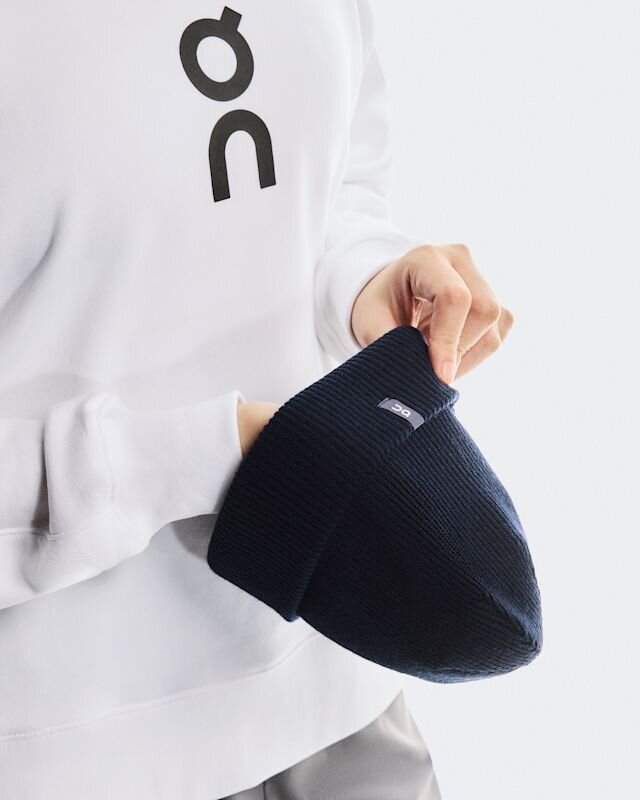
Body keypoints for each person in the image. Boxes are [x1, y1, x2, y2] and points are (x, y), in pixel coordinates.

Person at [0, 2, 512, 798]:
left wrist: (363, 278)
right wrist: (202, 455)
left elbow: (333, 181)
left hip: (341, 693)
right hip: (76, 749)